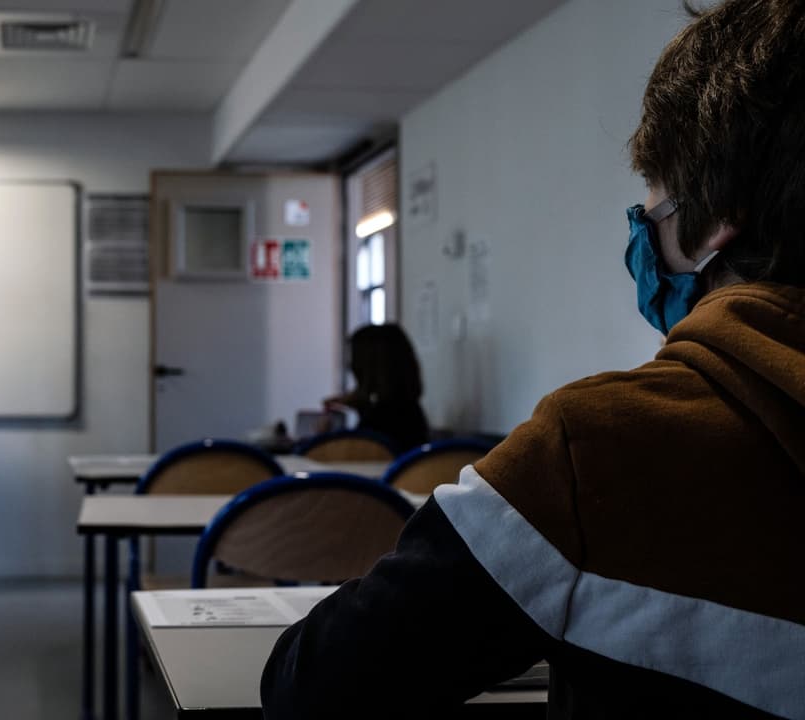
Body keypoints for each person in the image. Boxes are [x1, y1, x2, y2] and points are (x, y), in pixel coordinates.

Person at [262, 1, 804, 717]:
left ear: (717, 223)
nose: (643, 227)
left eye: (655, 201)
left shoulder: (596, 447)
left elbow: (314, 684)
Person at [323, 324, 429, 453]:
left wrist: (323, 435)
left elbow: (353, 456)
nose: (350, 365)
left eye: (355, 358)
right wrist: (362, 408)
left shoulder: (377, 421)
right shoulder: (412, 412)